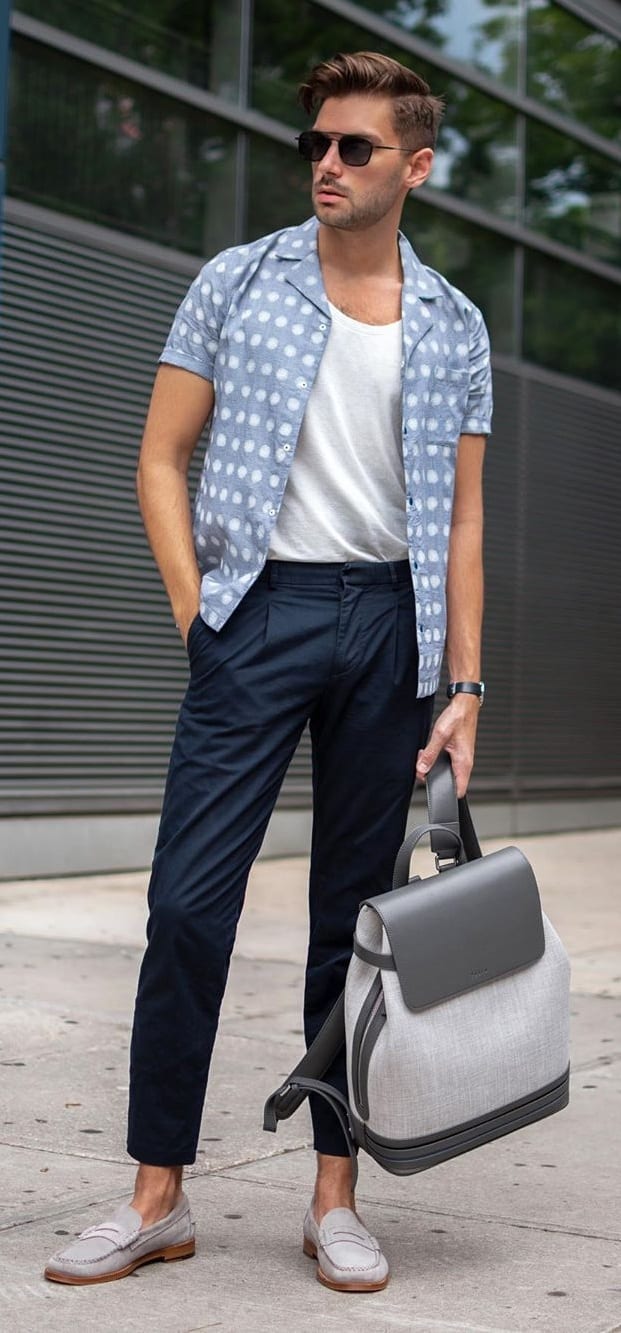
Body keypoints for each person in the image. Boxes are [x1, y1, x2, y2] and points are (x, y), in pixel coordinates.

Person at [45, 50, 492, 1293]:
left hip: (390, 630)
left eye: (355, 148)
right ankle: (157, 1196)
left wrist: (465, 685)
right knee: (188, 902)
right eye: (318, 147)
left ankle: (333, 1194)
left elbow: (461, 523)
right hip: (263, 612)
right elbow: (156, 458)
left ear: (416, 164)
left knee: (355, 926)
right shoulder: (238, 282)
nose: (329, 167)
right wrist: (204, 622)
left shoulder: (455, 322)